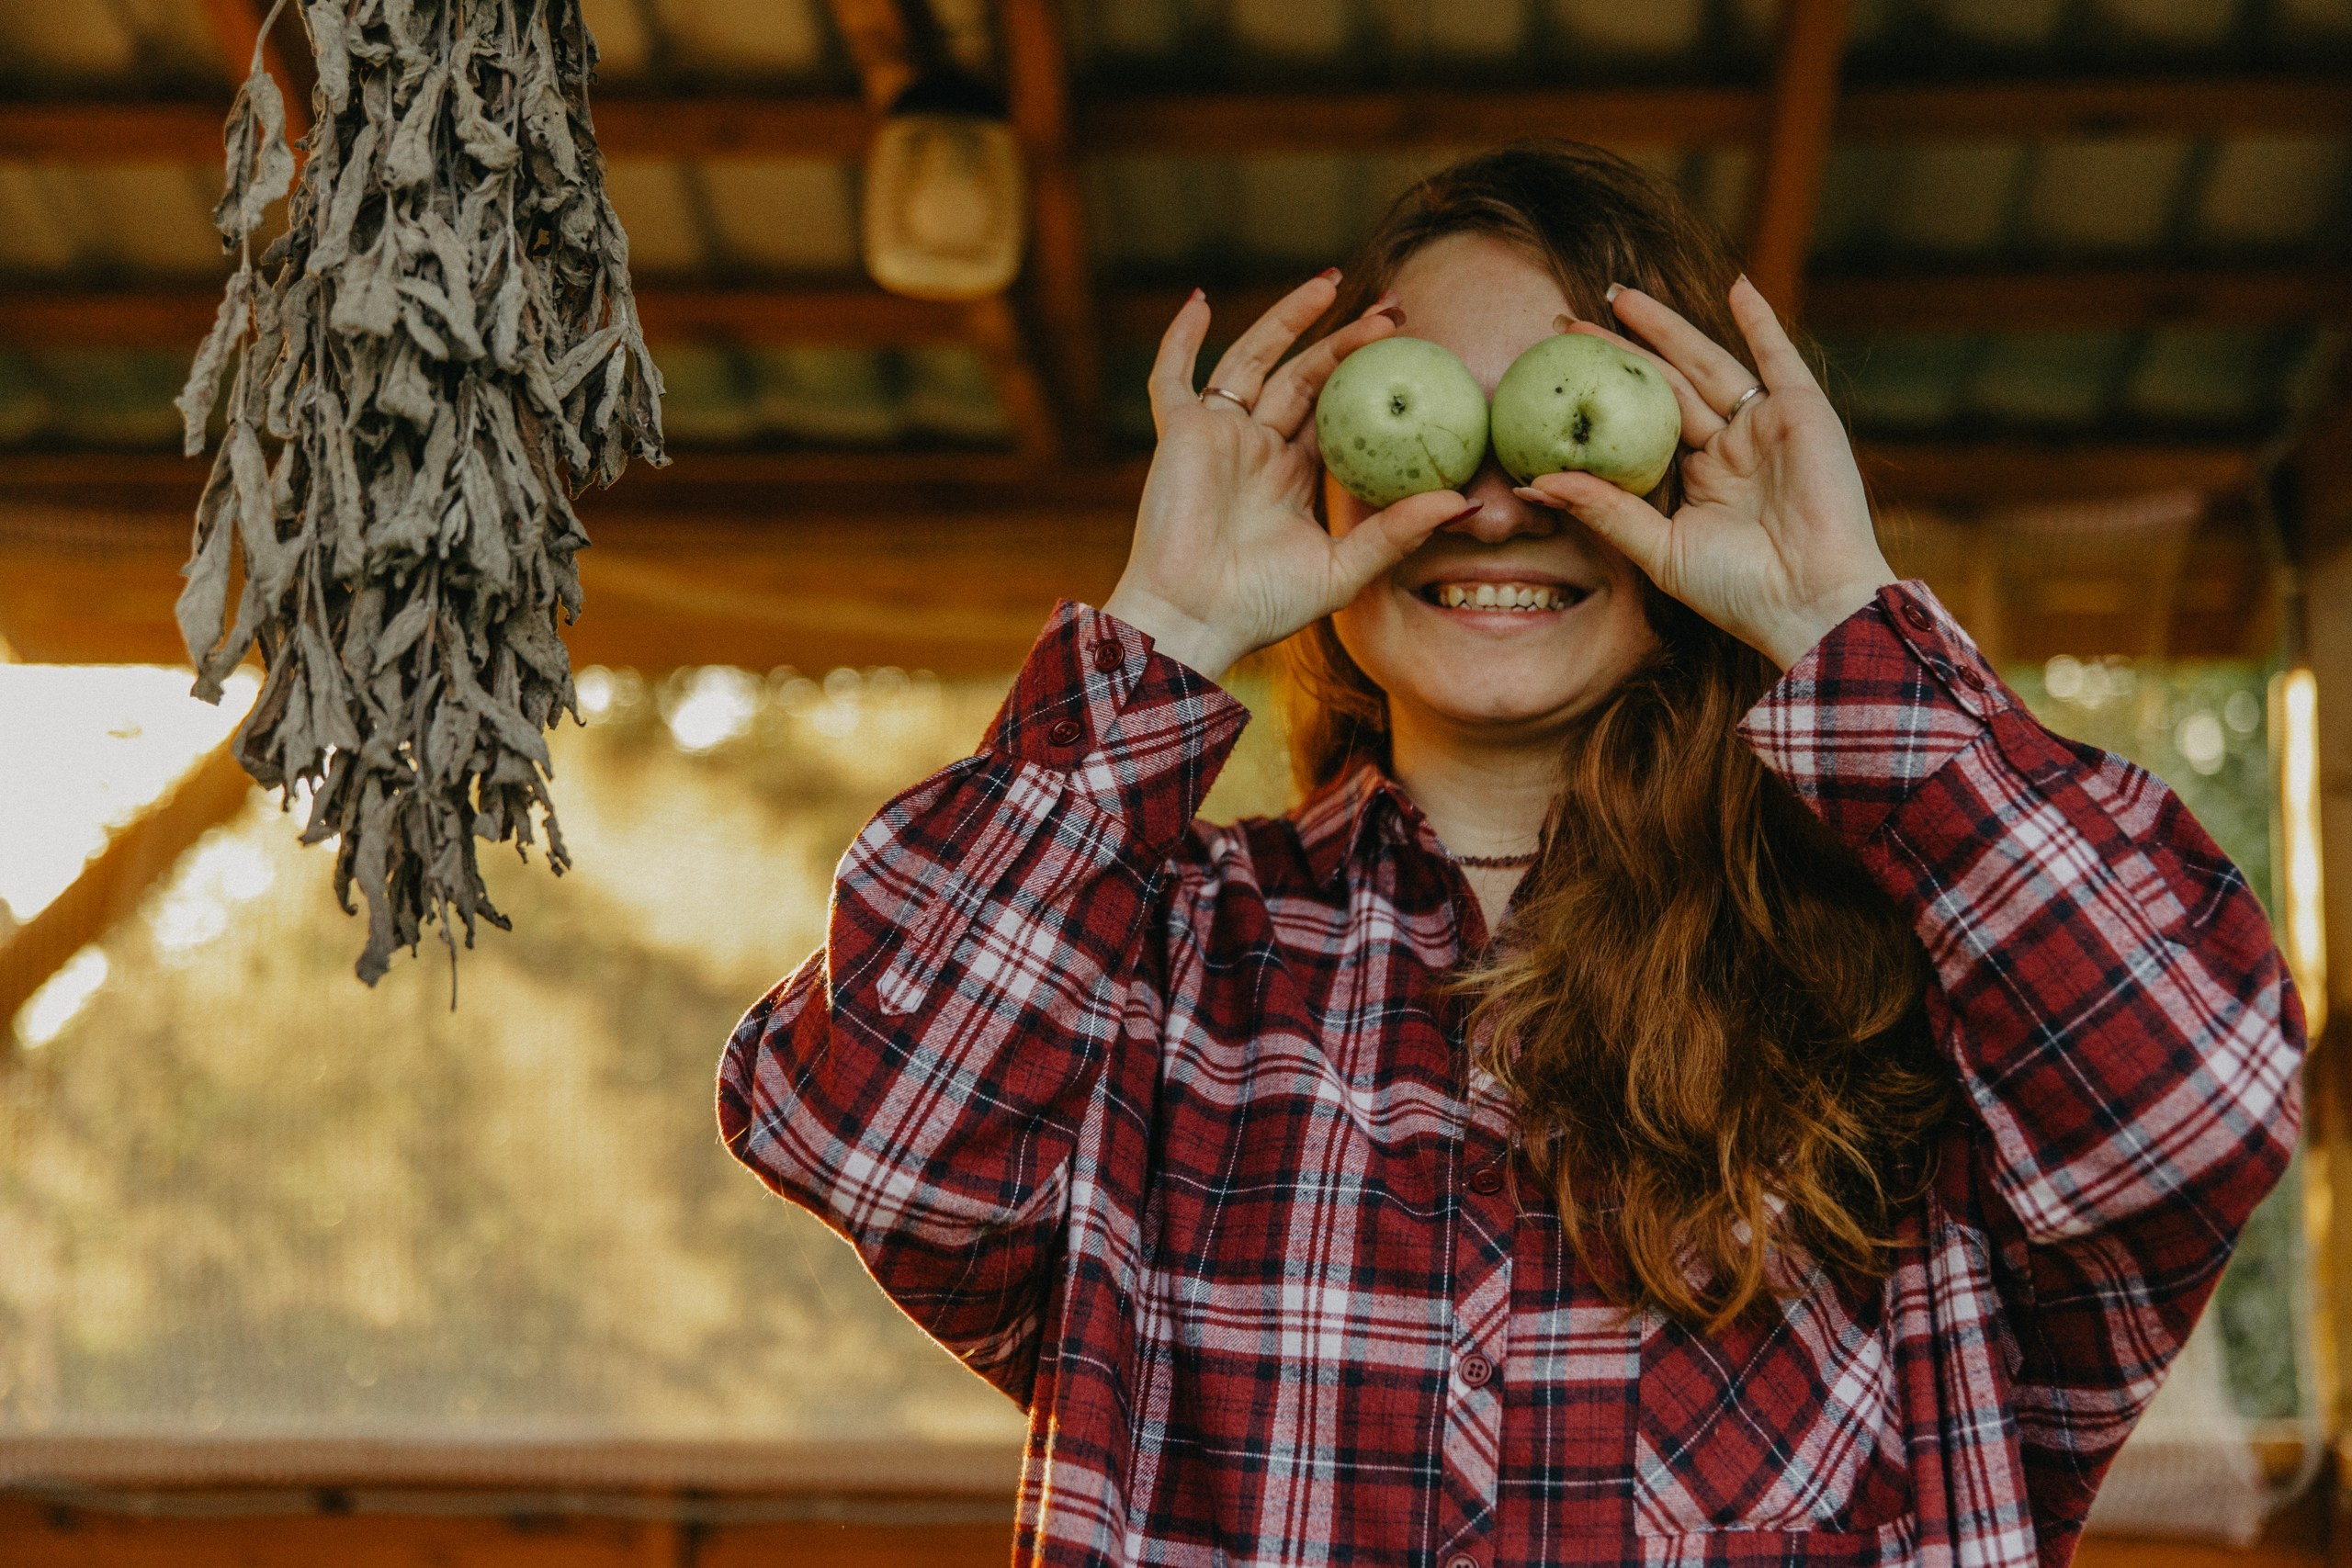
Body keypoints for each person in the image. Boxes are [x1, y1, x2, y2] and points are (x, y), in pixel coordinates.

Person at [718, 142, 2302, 1568]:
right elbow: (873, 1138)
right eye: (1426, 424)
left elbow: (2195, 1113)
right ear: (1324, 469)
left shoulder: (1902, 968)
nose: (1489, 503)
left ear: (1692, 472)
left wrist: (1840, 622)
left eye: (1566, 428)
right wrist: (1171, 630)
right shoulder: (1154, 958)